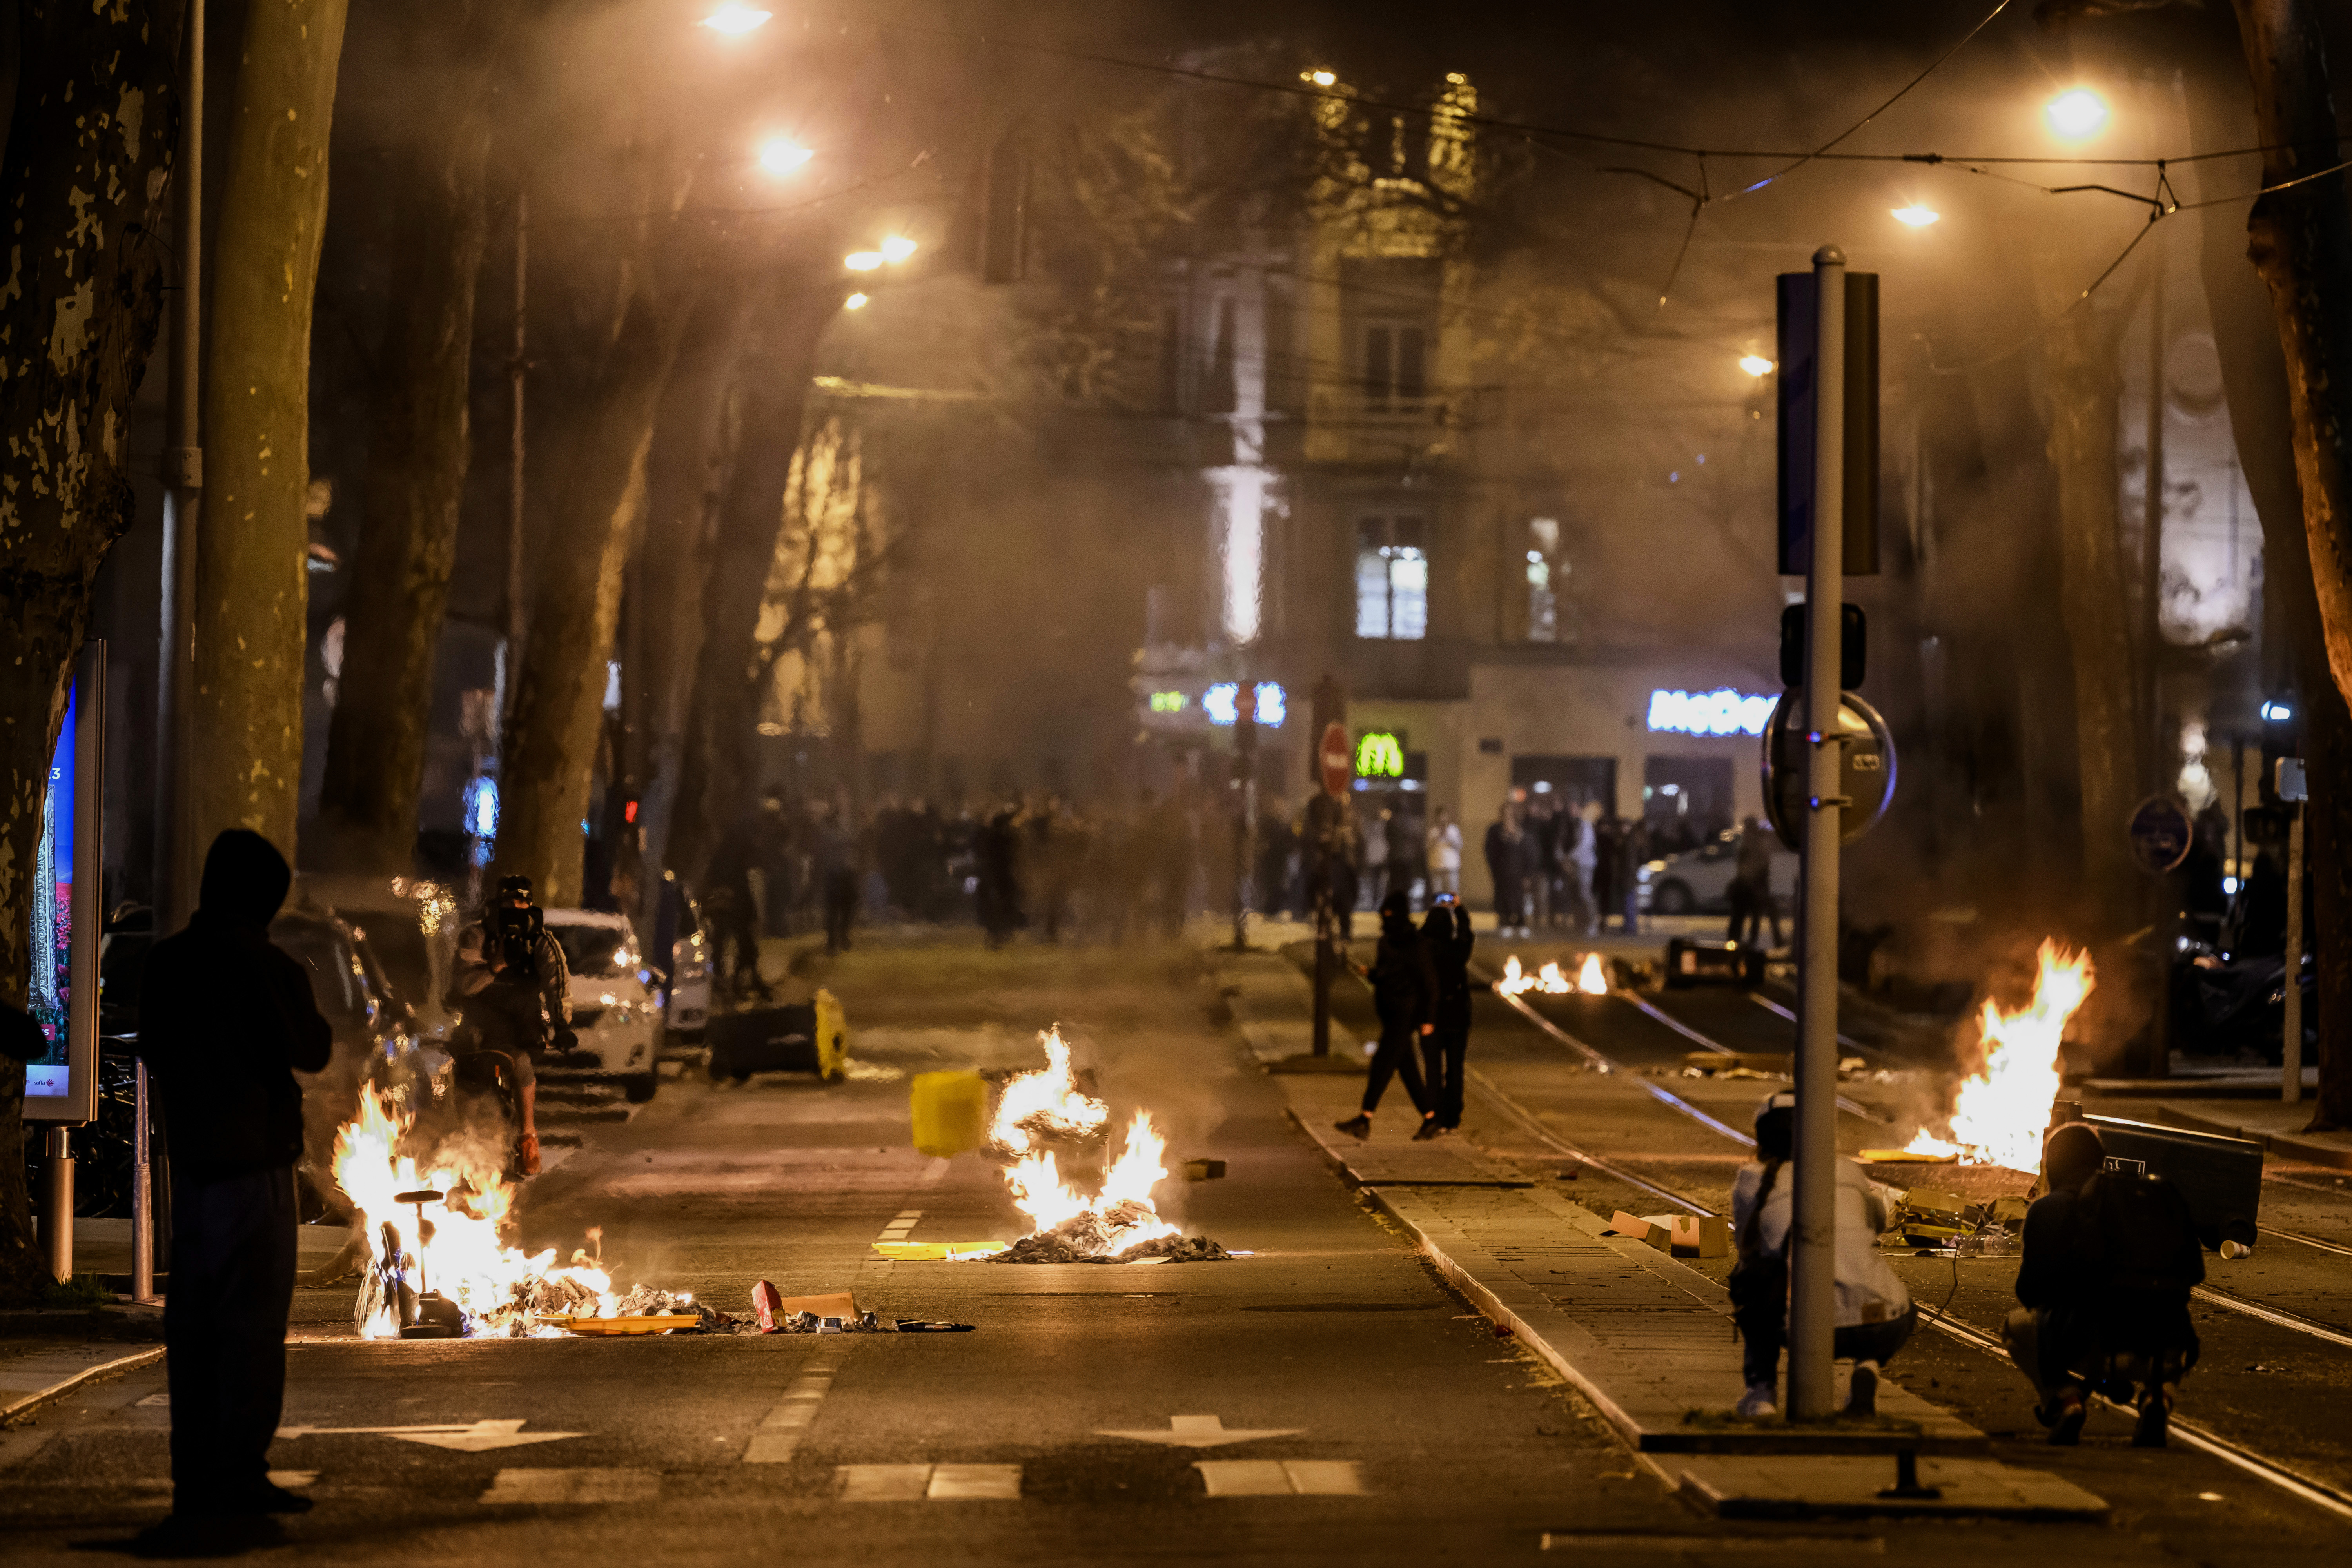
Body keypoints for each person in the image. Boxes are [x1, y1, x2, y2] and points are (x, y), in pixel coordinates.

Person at [133, 831, 334, 1550]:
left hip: (195, 1169)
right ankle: (241, 1473)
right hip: (258, 1172)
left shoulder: (168, 962)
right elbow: (311, 1049)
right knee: (252, 1329)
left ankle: (196, 1480)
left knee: (194, 1328)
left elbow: (152, 1046)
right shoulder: (270, 965)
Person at [2004, 1122, 2203, 1448]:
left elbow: (2029, 1293)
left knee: (2015, 1327)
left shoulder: (2048, 1209)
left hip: (2088, 1348)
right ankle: (2157, 1399)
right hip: (2160, 1349)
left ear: (2053, 1165)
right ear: (2101, 1160)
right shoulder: (2152, 1198)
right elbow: (2193, 1273)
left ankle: (2067, 1401)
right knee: (2175, 1320)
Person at [1730, 1091, 1915, 1419]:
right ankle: (1868, 1368)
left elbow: (1750, 1252)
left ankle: (1762, 1394)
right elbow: (1879, 1224)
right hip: (1883, 1320)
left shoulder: (1750, 1181)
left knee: (1751, 1283)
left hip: (1801, 1326)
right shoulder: (1848, 1171)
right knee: (1895, 1297)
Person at [453, 873, 573, 1174]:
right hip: (480, 1028)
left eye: (521, 902)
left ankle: (527, 1138)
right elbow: (463, 984)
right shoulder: (476, 937)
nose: (515, 909)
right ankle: (458, 1144)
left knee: (521, 1064)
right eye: (509, 902)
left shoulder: (542, 941)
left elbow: (557, 982)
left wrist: (563, 1025)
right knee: (465, 1081)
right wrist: (493, 967)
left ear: (530, 905)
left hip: (523, 1027)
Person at [1334, 891, 1439, 1142]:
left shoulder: (1416, 943)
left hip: (1405, 1015)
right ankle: (1431, 1118)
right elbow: (1389, 974)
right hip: (1391, 1013)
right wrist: (1370, 973)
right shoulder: (1387, 941)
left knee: (1382, 1065)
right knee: (1408, 1070)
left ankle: (1365, 1120)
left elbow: (1430, 984)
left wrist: (1429, 1020)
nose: (1387, 918)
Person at [1421, 895, 1476, 1132]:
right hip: (1457, 1017)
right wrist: (1460, 909)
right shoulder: (1458, 951)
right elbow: (1466, 934)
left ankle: (1436, 1115)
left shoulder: (1422, 952)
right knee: (1455, 1068)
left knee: (1433, 1069)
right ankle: (1453, 1117)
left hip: (1431, 1019)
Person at [1727, 817, 1783, 949]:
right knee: (1753, 916)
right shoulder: (1754, 843)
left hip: (1751, 888)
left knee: (1746, 916)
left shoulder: (1751, 843)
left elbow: (1750, 867)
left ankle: (1738, 942)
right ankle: (1744, 942)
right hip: (1751, 888)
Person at [1484, 805, 1526, 939]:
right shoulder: (1495, 830)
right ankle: (1504, 923)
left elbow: (1526, 851)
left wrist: (1527, 872)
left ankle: (1520, 924)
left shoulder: (1520, 830)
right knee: (1502, 898)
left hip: (1517, 871)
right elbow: (1490, 850)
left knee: (1518, 897)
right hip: (1501, 871)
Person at [1426, 806, 1463, 899]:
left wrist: (1448, 836)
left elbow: (1459, 845)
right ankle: (1439, 911)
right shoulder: (1433, 831)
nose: (1442, 818)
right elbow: (1428, 847)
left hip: (1451, 866)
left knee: (1452, 892)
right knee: (1437, 892)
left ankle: (1452, 912)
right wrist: (1438, 837)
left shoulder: (1454, 830)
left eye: (1444, 816)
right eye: (1440, 816)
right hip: (1437, 866)